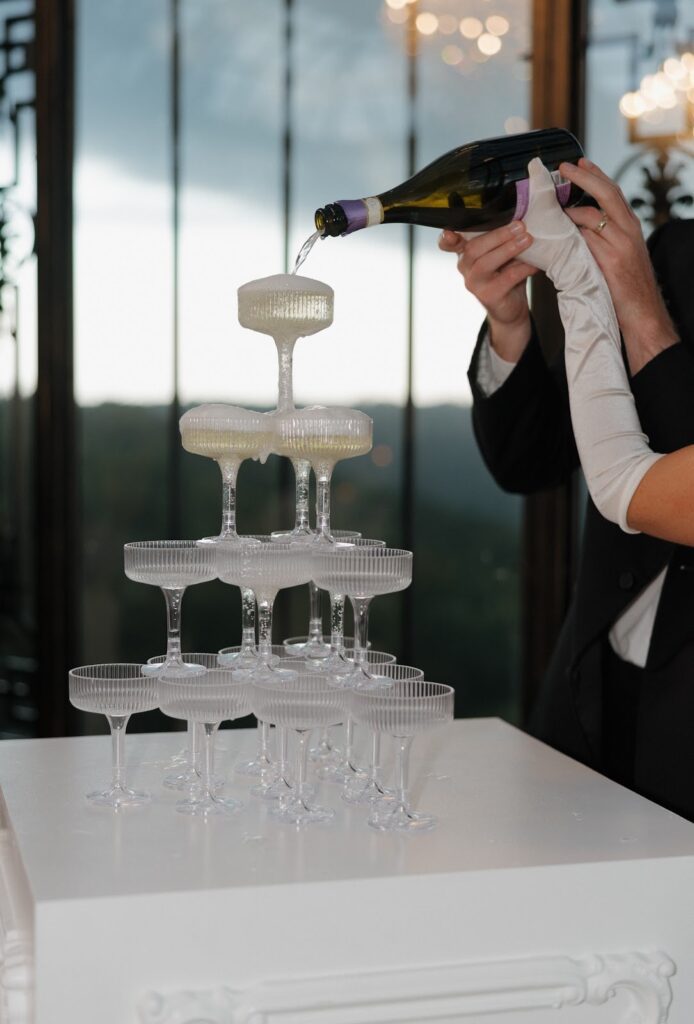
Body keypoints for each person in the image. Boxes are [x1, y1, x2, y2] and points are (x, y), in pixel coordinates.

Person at [439, 157, 694, 820]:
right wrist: (509, 322)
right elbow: (533, 460)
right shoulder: (672, 252)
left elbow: (641, 483)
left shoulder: (640, 268)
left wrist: (626, 302)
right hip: (589, 701)